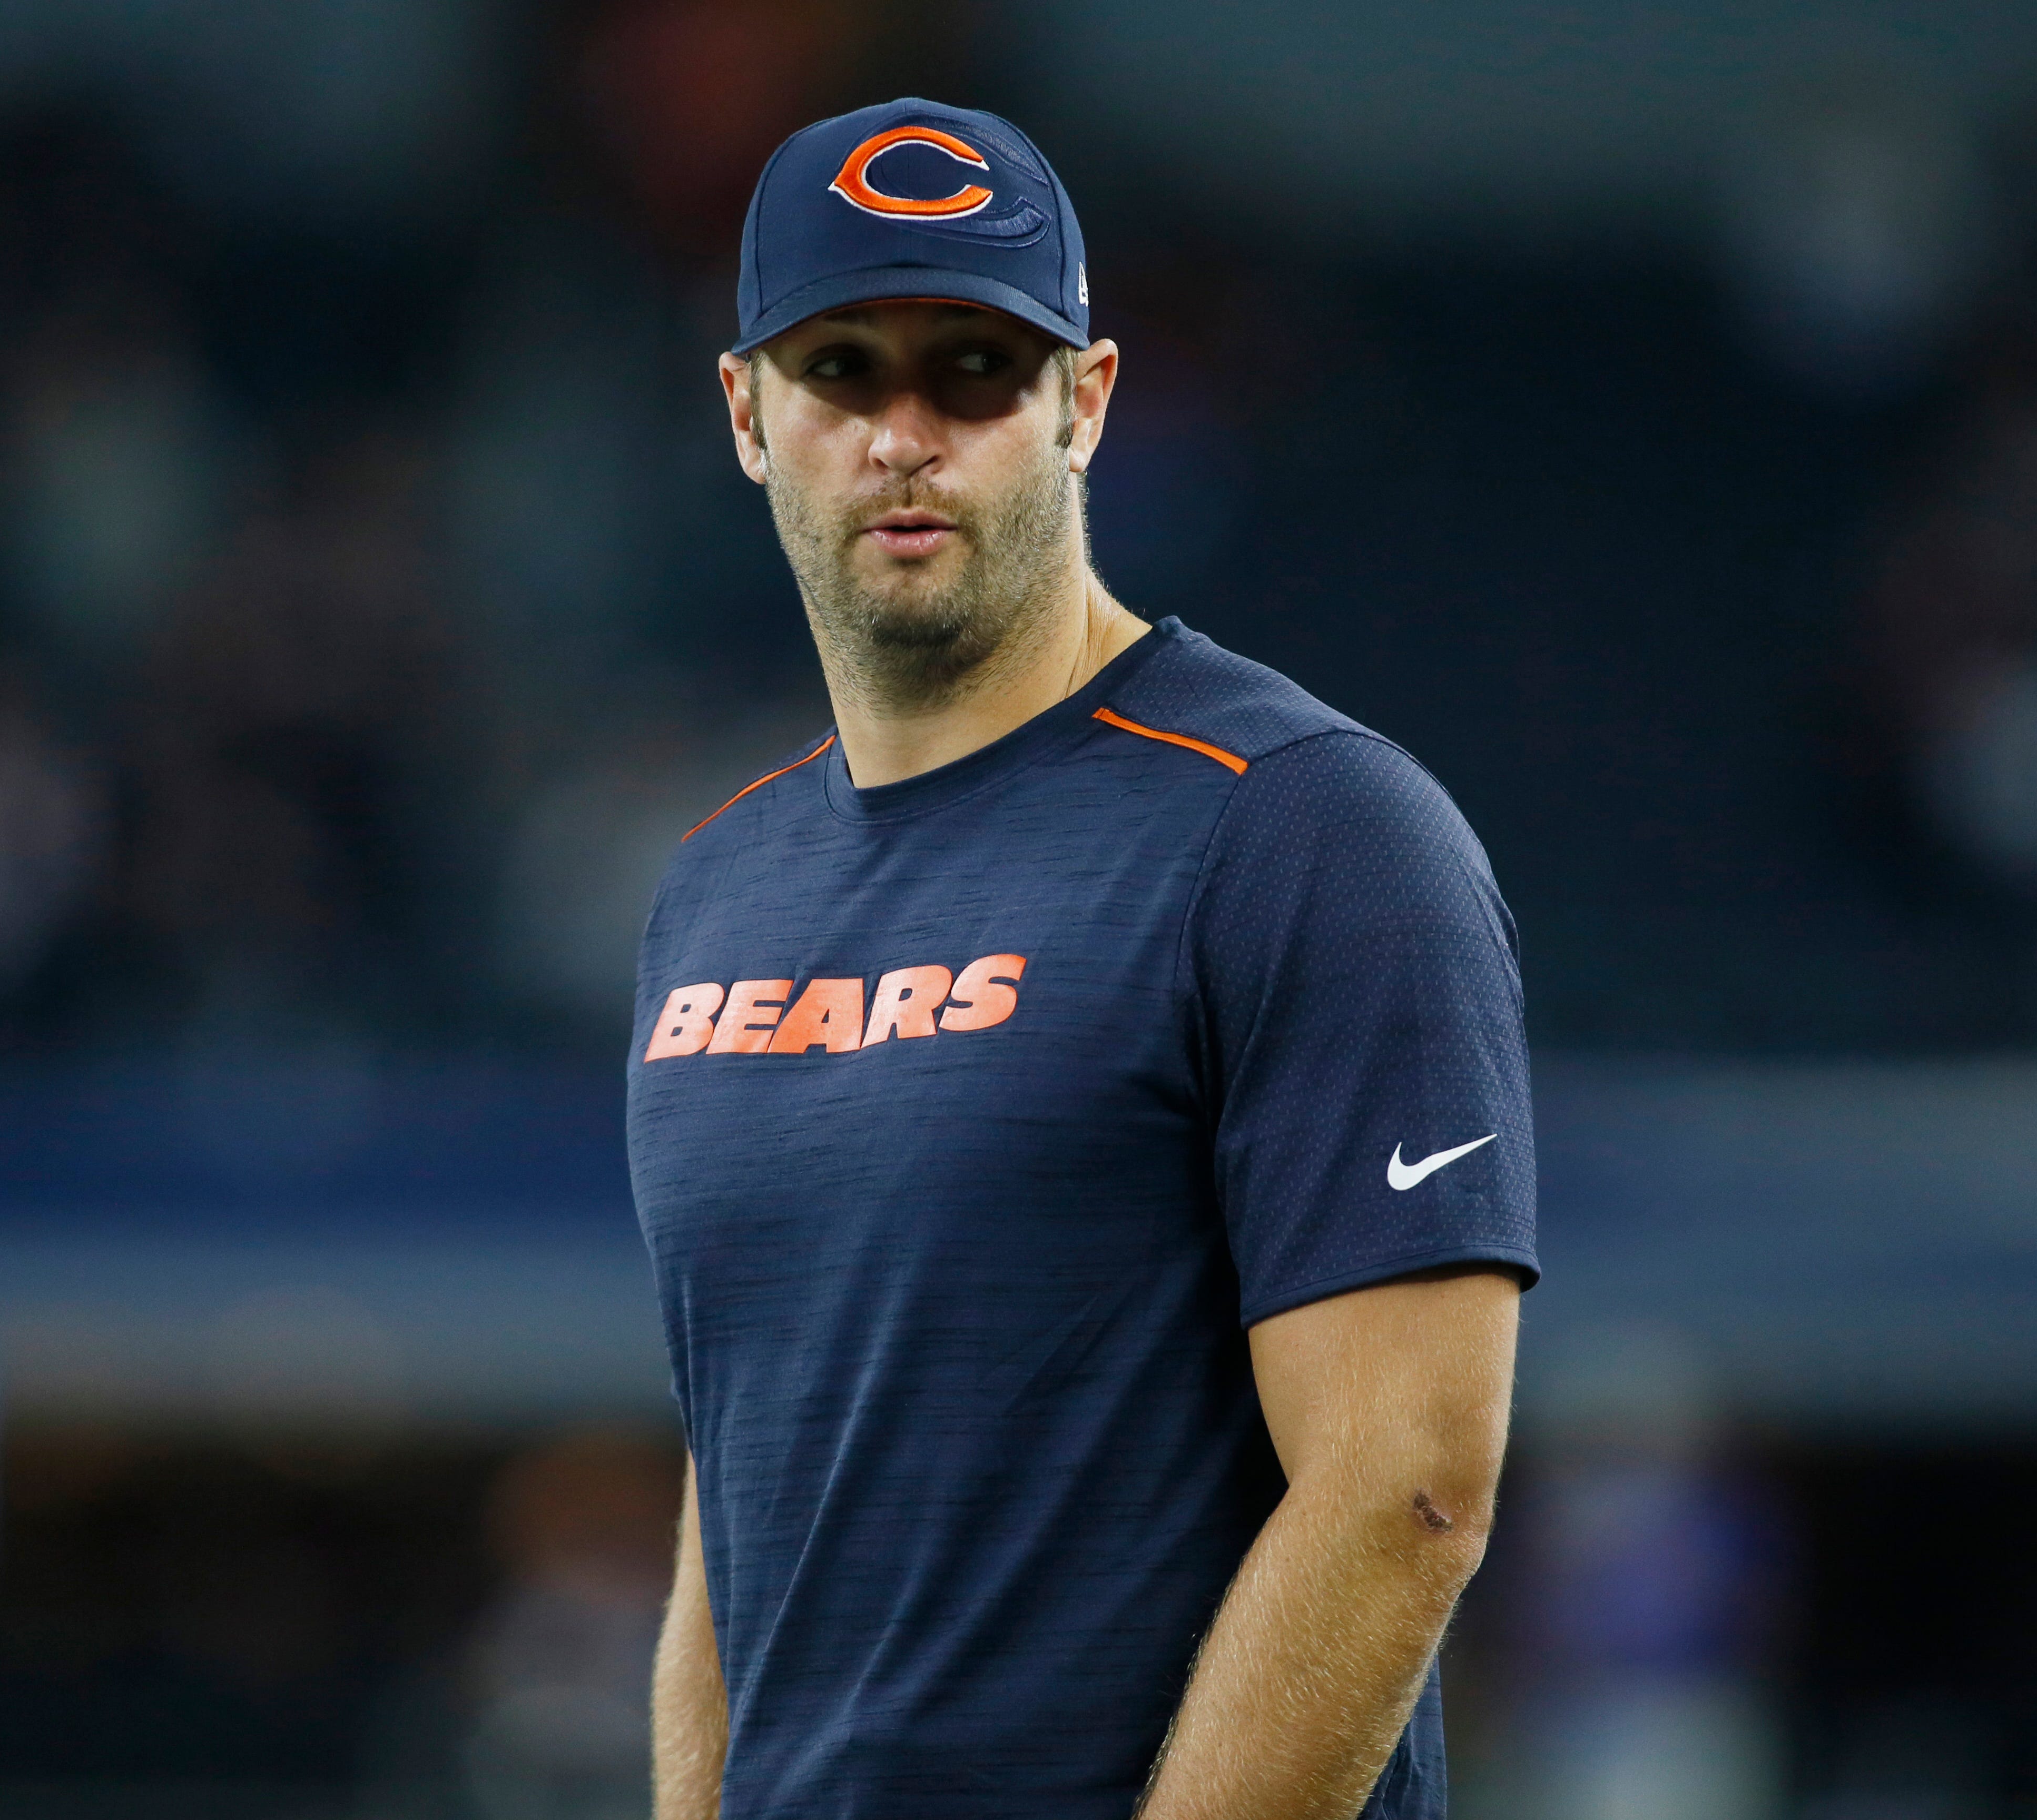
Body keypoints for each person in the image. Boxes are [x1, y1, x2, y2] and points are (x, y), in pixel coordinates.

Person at [626, 98, 1537, 1820]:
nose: (904, 432)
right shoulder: (714, 888)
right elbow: (737, 1489)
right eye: (843, 369)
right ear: (747, 413)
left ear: (1085, 404)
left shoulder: (1306, 832)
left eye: (973, 367)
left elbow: (1405, 1492)